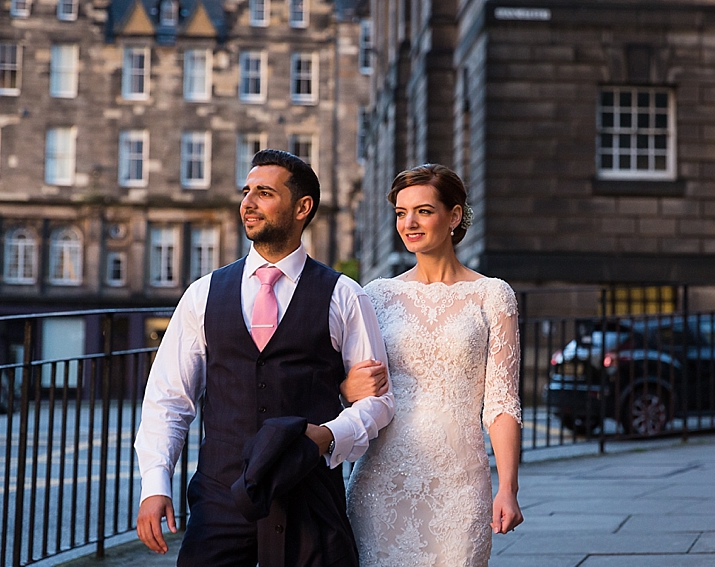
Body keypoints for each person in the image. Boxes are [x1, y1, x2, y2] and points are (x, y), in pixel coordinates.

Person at [134, 149, 394, 567]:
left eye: (265, 193)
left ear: (302, 208)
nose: (248, 203)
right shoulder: (203, 294)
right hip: (221, 500)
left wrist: (327, 437)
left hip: (308, 498)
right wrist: (154, 484)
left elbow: (379, 402)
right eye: (246, 191)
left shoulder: (344, 294)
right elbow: (168, 399)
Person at [343, 164, 523, 566]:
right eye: (401, 213)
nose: (409, 223)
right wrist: (346, 389)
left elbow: (502, 402)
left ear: (454, 216)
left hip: (459, 484)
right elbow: (351, 384)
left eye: (423, 211)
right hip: (381, 484)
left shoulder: (492, 295)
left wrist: (507, 487)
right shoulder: (375, 295)